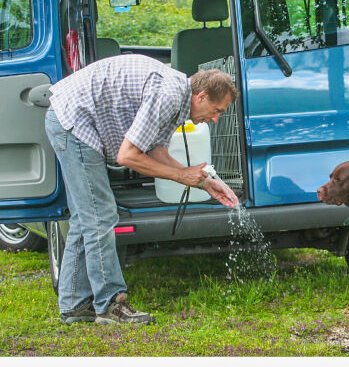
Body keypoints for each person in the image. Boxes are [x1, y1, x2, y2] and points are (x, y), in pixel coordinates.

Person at [44, 54, 239, 325]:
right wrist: (181, 175)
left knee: (85, 217)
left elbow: (154, 150)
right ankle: (110, 303)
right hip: (74, 121)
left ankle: (74, 306)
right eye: (218, 110)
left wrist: (203, 181)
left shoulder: (177, 100)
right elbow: (128, 156)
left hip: (73, 119)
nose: (216, 119)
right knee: (100, 215)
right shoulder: (169, 94)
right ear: (202, 96)